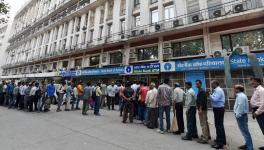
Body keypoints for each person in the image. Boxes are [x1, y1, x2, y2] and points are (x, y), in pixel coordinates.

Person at [234, 85, 253, 150]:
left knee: (245, 132)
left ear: (238, 89)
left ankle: (250, 147)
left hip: (241, 116)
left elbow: (241, 106)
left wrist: (237, 114)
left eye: (235, 88)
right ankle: (247, 144)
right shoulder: (240, 95)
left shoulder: (241, 96)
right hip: (242, 115)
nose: (234, 89)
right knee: (244, 132)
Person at [210, 80, 226, 149]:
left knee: (219, 126)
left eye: (212, 84)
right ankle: (221, 140)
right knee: (219, 125)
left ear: (216, 84)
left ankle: (220, 144)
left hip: (218, 109)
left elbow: (215, 99)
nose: (211, 85)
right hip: (217, 109)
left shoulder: (218, 90)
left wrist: (209, 95)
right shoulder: (216, 90)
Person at [250, 77, 264, 150]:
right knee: (262, 128)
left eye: (254, 81)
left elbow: (263, 104)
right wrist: (253, 110)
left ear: (258, 82)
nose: (252, 83)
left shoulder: (261, 90)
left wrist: (257, 112)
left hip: (261, 112)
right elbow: (255, 101)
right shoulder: (256, 90)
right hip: (257, 110)